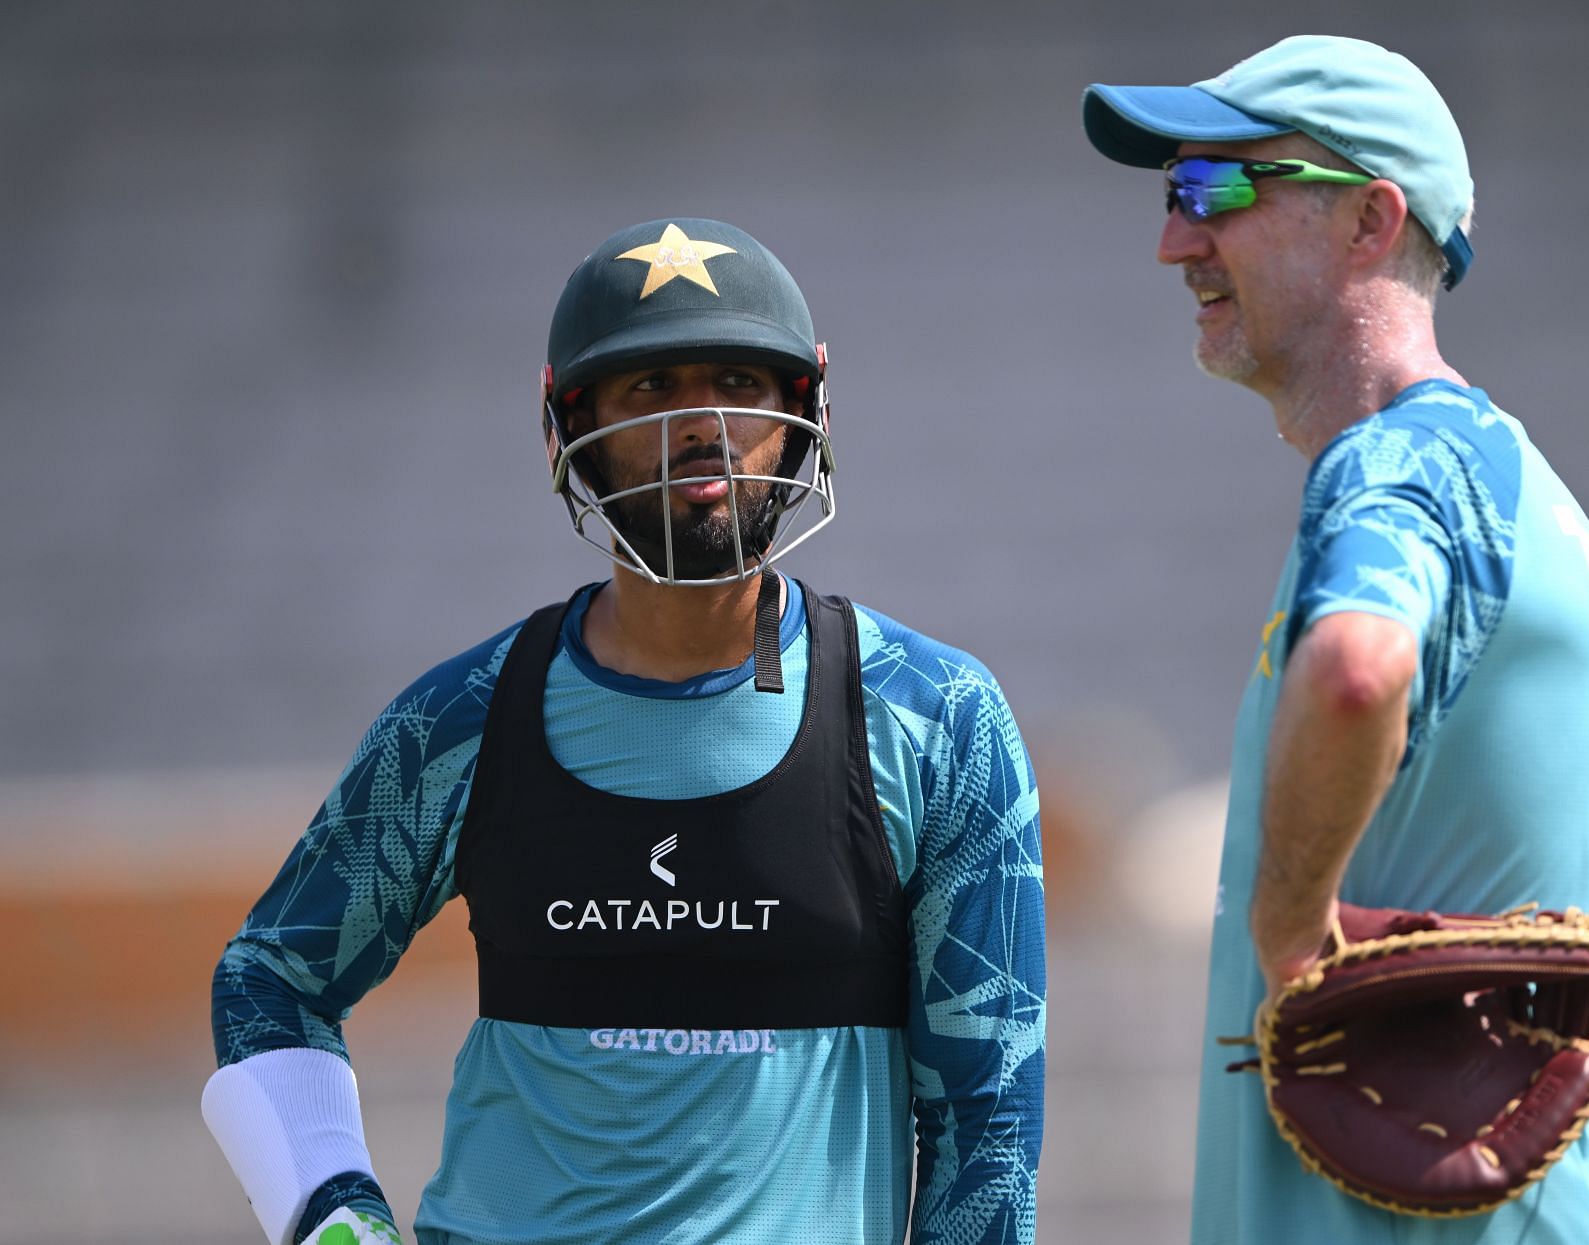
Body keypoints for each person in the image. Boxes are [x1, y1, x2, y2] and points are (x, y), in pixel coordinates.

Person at [201, 218, 1046, 1245]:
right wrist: (335, 1214)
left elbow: (985, 1119)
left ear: (804, 409)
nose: (701, 424)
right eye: (650, 388)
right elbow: (270, 979)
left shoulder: (937, 717)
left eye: (738, 379)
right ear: (566, 426)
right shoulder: (460, 721)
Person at [1082, 35, 1589, 1244]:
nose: (1175, 241)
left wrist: (1290, 925)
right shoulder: (1531, 504)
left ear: (1369, 222)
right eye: (1172, 195)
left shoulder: (1405, 464)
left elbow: (1356, 673)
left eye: (1218, 191)